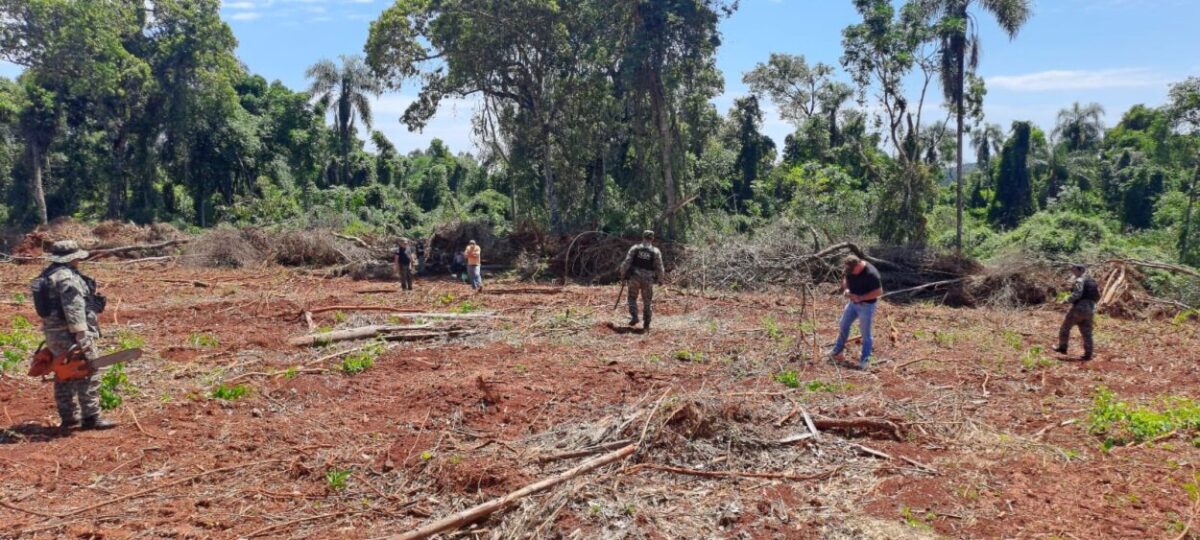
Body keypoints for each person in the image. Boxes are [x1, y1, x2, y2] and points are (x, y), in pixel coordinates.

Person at [31, 241, 114, 430]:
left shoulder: (47, 275)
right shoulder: (67, 278)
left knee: (63, 374)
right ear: (71, 257)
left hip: (53, 334)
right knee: (88, 371)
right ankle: (91, 417)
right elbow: (73, 309)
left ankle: (68, 418)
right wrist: (81, 336)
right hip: (69, 333)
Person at [830, 255, 884, 370]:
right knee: (843, 324)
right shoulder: (850, 270)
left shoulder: (871, 273)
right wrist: (847, 290)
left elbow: (879, 291)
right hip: (852, 304)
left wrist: (861, 298)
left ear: (859, 265)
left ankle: (865, 360)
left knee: (865, 333)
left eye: (853, 271)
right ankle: (837, 351)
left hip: (866, 306)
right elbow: (845, 280)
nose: (851, 273)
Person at [619, 230, 665, 331]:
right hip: (648, 280)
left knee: (631, 298)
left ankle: (635, 316)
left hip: (634, 278)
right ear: (652, 238)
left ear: (643, 237)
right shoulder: (655, 251)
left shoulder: (635, 248)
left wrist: (623, 276)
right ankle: (647, 324)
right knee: (647, 302)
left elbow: (626, 263)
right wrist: (661, 280)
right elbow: (660, 268)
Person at [1054, 263, 1097, 360]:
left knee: (1065, 328)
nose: (1073, 272)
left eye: (1074, 270)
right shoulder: (1092, 281)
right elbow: (1097, 296)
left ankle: (1062, 348)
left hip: (1079, 308)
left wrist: (1065, 300)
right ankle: (1088, 354)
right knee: (1087, 333)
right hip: (1091, 309)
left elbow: (1077, 294)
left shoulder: (1080, 280)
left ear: (1080, 270)